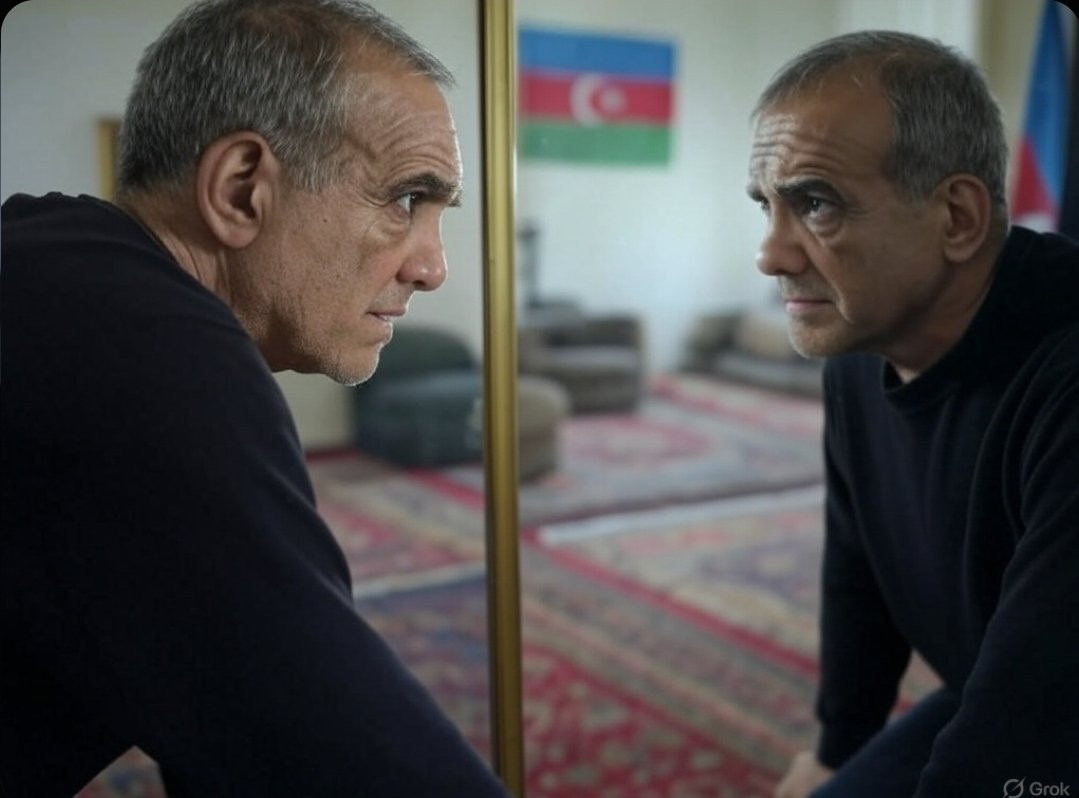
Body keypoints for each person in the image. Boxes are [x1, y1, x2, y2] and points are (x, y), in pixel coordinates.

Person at [0, 1, 512, 796]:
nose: (432, 267)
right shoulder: (155, 360)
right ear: (242, 190)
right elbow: (338, 757)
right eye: (405, 199)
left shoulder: (49, 255)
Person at [745, 30, 1079, 798]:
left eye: (814, 204)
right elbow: (858, 562)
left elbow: (1024, 736)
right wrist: (837, 748)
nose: (768, 254)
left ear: (956, 217)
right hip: (997, 690)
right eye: (767, 206)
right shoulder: (861, 344)